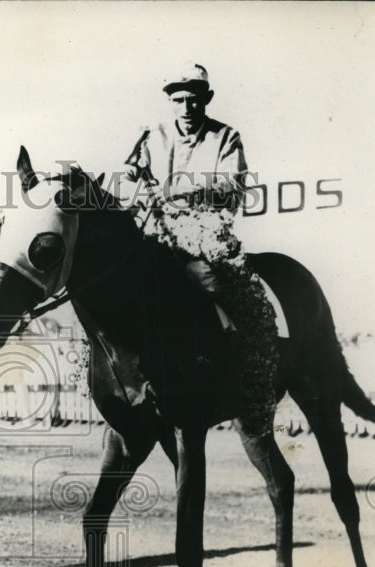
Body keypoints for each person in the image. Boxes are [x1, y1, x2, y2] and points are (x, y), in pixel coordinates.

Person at [113, 62, 279, 436]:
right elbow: (129, 176)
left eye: (194, 100)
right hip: (157, 228)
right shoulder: (150, 136)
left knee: (215, 283)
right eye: (179, 100)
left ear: (207, 99)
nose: (187, 108)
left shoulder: (226, 137)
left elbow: (232, 188)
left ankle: (243, 364)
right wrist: (132, 182)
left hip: (206, 227)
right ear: (170, 102)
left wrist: (184, 193)